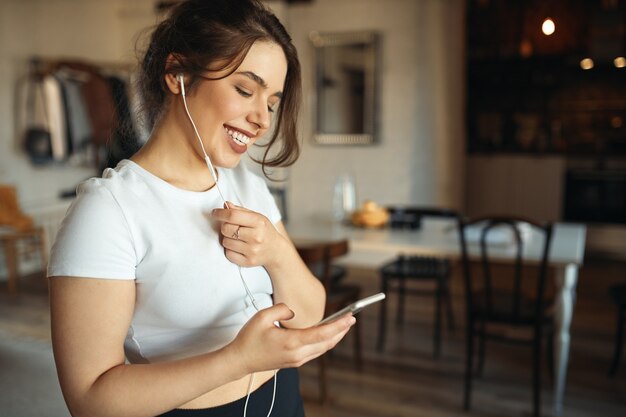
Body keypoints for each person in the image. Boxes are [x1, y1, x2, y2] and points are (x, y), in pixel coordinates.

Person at [47, 1, 356, 416]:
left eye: (271, 102)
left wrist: (279, 255)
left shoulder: (249, 186)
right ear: (178, 74)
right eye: (245, 90)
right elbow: (91, 401)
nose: (261, 119)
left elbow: (308, 315)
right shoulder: (108, 212)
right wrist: (239, 360)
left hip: (284, 400)